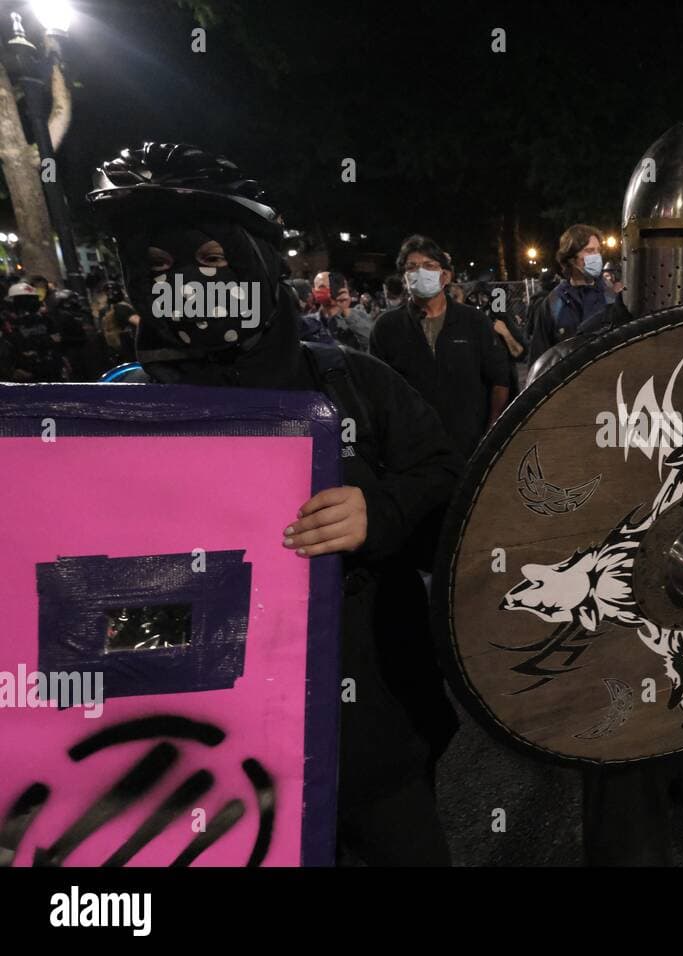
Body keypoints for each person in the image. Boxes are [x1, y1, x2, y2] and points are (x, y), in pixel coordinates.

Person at [86, 141, 465, 865]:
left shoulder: (354, 382)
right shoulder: (110, 418)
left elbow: (451, 485)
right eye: (159, 269)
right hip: (205, 772)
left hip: (375, 749)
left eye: (209, 260)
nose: (188, 286)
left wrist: (375, 509)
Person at [370, 235, 512, 459]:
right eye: (412, 267)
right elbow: (376, 391)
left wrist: (492, 431)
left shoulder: (474, 322)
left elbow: (500, 380)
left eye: (429, 266)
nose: (420, 272)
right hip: (412, 452)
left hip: (469, 448)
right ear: (404, 277)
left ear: (445, 275)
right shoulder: (386, 327)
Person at [525, 224, 611, 366]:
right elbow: (539, 360)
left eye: (598, 251)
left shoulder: (612, 296)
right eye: (589, 251)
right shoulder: (553, 303)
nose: (596, 256)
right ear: (571, 259)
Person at [2, 280, 63, 382]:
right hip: (26, 373)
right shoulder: (9, 324)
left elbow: (57, 341)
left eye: (31, 300)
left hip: (50, 369)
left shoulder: (45, 320)